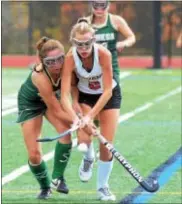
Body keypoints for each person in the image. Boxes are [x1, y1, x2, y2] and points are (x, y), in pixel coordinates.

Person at [61, 19, 122, 201]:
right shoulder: (70, 58)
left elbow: (108, 91)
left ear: (93, 40)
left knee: (106, 145)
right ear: (73, 43)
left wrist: (89, 116)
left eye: (87, 43)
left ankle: (103, 188)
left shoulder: (103, 54)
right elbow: (64, 95)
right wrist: (76, 117)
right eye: (79, 44)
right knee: (83, 141)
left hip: (108, 96)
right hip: (85, 95)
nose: (84, 47)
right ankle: (88, 158)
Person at [77, 0, 136, 184]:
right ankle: (88, 156)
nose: (100, 9)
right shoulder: (85, 23)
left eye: (104, 5)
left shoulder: (116, 21)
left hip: (109, 73)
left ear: (109, 6)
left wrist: (124, 44)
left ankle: (103, 187)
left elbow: (131, 37)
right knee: (87, 131)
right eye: (96, 5)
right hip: (88, 78)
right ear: (91, 6)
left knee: (106, 134)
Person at [17, 37, 73, 199]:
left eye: (59, 59)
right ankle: (45, 187)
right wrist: (78, 121)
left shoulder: (68, 66)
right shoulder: (39, 77)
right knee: (34, 154)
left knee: (65, 134)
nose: (56, 65)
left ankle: (57, 177)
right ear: (42, 61)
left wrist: (82, 118)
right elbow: (56, 110)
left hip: (52, 98)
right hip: (31, 103)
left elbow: (69, 96)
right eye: (50, 62)